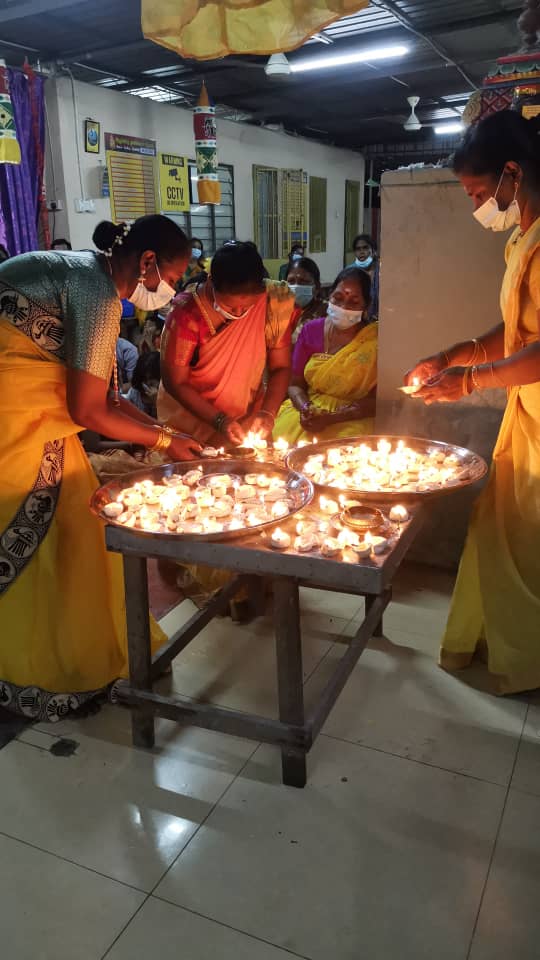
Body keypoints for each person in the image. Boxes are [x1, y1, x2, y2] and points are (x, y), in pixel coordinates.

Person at [0, 215, 201, 721]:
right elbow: (88, 410)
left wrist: (168, 436)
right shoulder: (97, 291)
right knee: (60, 535)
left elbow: (106, 397)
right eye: (172, 278)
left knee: (75, 530)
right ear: (147, 261)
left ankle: (79, 654)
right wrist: (165, 441)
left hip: (32, 419)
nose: (171, 292)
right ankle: (46, 669)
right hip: (14, 423)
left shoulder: (90, 276)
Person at [404, 110, 540, 695]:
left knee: (529, 541)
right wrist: (453, 355)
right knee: (502, 531)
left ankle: (528, 656)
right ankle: (508, 644)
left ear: (512, 173)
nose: (477, 206)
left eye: (479, 193)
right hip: (527, 410)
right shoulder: (522, 238)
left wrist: (470, 380)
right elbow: (518, 330)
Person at [159, 240, 295, 446]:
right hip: (192, 425)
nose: (239, 313)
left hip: (247, 420)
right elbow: (175, 382)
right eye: (230, 307)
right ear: (211, 282)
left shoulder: (273, 302)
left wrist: (267, 412)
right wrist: (220, 421)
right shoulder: (187, 312)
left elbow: (281, 367)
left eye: (247, 307)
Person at [274, 266, 377, 443]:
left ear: (366, 306)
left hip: (351, 418)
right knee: (282, 441)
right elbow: (294, 384)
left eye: (353, 302)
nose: (343, 307)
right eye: (338, 298)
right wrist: (306, 408)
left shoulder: (374, 340)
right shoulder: (310, 330)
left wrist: (332, 418)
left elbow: (376, 401)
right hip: (309, 411)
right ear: (329, 296)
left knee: (343, 450)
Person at [286, 256, 327, 343]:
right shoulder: (281, 312)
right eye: (291, 281)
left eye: (303, 281)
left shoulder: (325, 313)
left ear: (317, 287)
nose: (296, 286)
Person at [124, 350, 161, 419]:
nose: (148, 383)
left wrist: (156, 402)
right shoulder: (135, 393)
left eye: (152, 378)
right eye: (144, 378)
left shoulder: (165, 396)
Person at [352, 233, 379, 320]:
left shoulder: (382, 271)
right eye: (358, 249)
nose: (361, 252)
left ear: (374, 251)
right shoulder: (350, 272)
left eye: (365, 248)